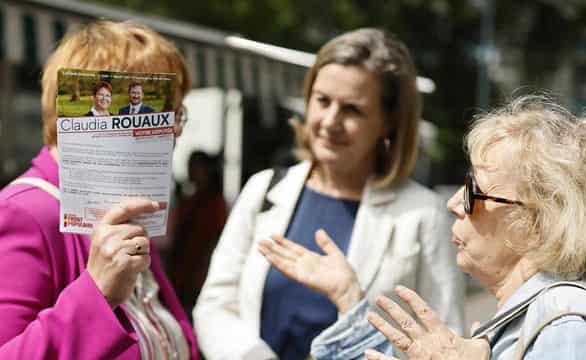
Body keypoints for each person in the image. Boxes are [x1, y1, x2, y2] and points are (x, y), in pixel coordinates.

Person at [295, 95, 586, 359]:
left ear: (538, 222)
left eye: (475, 190)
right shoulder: (539, 319)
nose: (454, 203)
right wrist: (348, 298)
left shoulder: (567, 331)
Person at [193, 28, 465, 360]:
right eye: (322, 100)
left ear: (389, 123)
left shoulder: (423, 214)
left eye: (352, 109)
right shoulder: (264, 188)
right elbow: (215, 305)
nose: (330, 121)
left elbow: (447, 343)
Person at [0, 21, 198, 359]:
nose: (175, 130)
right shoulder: (26, 213)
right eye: (165, 107)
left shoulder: (121, 209)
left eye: (176, 112)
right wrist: (97, 293)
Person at [167, 151, 228, 318]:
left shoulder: (216, 204)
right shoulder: (188, 201)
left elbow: (217, 240)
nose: (191, 171)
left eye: (195, 167)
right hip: (181, 273)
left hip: (201, 274)